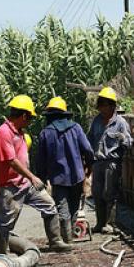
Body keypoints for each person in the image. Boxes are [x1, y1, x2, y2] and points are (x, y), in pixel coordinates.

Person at [0, 95, 72, 252]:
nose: (30, 122)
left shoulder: (19, 132)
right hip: (10, 186)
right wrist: (32, 176)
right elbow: (12, 161)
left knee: (49, 205)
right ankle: (2, 253)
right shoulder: (3, 133)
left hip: (25, 183)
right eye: (29, 118)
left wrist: (29, 178)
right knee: (6, 222)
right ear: (23, 115)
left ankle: (55, 240)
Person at [36, 97, 94, 242]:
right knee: (74, 208)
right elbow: (88, 149)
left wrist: (41, 178)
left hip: (59, 178)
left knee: (63, 210)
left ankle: (67, 240)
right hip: (77, 176)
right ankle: (70, 238)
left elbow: (40, 160)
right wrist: (89, 167)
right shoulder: (76, 128)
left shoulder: (46, 133)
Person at [87, 87, 133, 234]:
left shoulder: (120, 123)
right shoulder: (96, 121)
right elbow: (90, 139)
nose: (102, 109)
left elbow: (129, 143)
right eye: (100, 105)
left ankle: (110, 224)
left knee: (110, 193)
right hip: (98, 162)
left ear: (112, 106)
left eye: (105, 105)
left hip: (112, 163)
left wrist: (123, 139)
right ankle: (100, 223)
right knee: (97, 193)